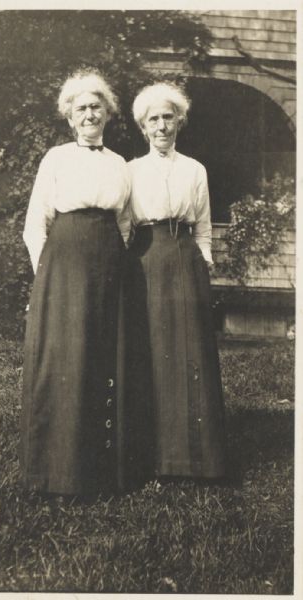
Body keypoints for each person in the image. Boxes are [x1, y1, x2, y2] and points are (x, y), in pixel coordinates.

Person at [20, 70, 131, 497]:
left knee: (103, 357)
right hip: (63, 266)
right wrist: (47, 278)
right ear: (69, 117)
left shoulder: (119, 164)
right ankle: (55, 472)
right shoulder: (55, 159)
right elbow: (35, 226)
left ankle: (100, 470)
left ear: (108, 113)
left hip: (108, 263)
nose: (89, 114)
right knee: (63, 360)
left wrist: (115, 264)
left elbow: (125, 224)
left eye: (96, 106)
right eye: (81, 108)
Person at [124, 82, 226, 486]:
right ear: (143, 127)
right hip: (147, 258)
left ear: (180, 122)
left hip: (186, 260)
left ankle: (196, 459)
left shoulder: (194, 169)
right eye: (154, 119)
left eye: (169, 117)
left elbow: (203, 227)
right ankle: (152, 458)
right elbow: (123, 226)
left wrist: (204, 264)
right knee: (150, 351)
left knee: (190, 352)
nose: (162, 126)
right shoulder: (131, 171)